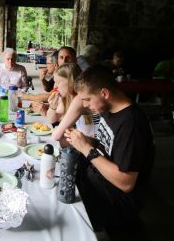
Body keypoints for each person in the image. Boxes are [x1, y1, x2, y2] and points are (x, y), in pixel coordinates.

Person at [63, 65, 154, 234]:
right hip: (95, 180)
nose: (84, 105)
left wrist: (86, 148)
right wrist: (85, 141)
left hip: (114, 200)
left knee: (63, 222)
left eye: (87, 99)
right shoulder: (107, 109)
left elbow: (126, 183)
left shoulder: (131, 124)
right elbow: (107, 145)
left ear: (104, 93)